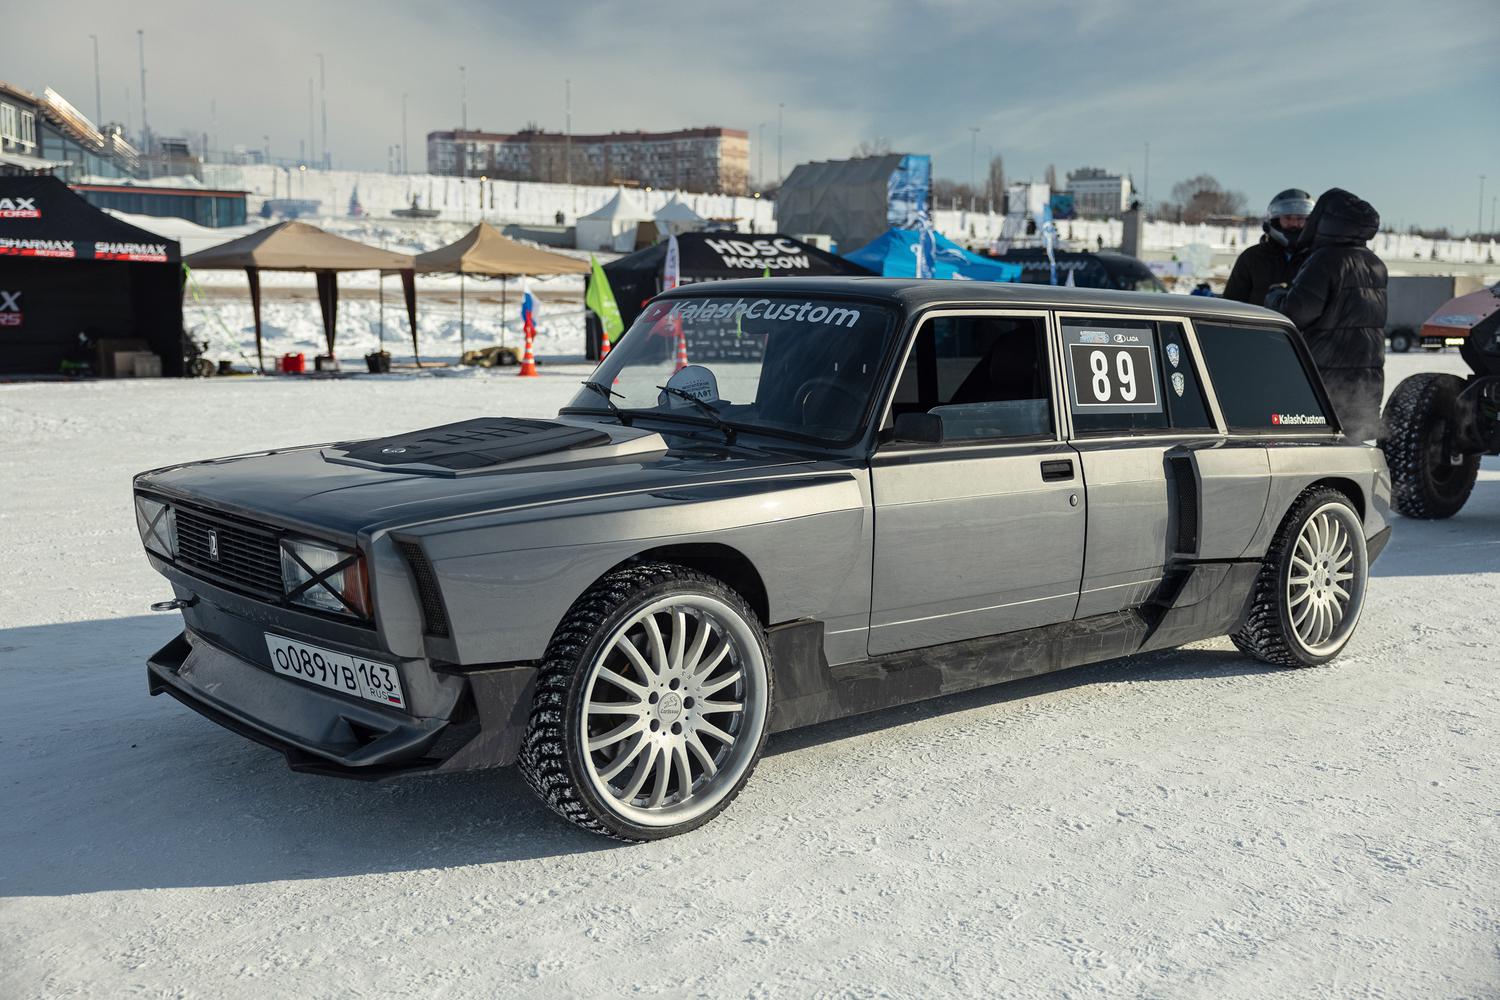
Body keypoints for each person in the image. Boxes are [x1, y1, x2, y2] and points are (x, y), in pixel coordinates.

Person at [1265, 188, 1388, 441]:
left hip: (1325, 376)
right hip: (1366, 376)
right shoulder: (1375, 263)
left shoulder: (1325, 260)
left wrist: (1275, 296)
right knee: (1352, 447)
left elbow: (1296, 312)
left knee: (1315, 450)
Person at [1223, 189, 1315, 306]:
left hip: (1304, 324)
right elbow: (1231, 303)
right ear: (1276, 220)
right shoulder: (1252, 257)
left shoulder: (1318, 258)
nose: (1294, 224)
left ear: (1309, 221)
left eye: (1300, 219)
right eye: (1287, 218)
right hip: (1258, 322)